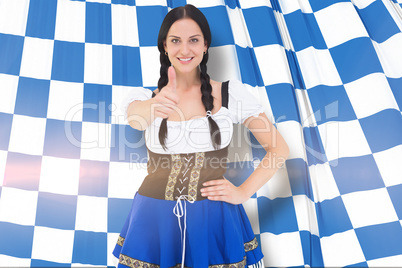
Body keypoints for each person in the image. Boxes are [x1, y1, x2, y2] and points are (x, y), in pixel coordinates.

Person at [113, 4, 289, 268]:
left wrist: (243, 192)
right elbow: (134, 119)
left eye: (194, 40)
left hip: (214, 216)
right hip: (154, 217)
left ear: (206, 45)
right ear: (164, 46)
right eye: (176, 41)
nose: (185, 50)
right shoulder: (144, 98)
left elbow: (278, 150)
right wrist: (154, 104)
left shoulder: (231, 94)